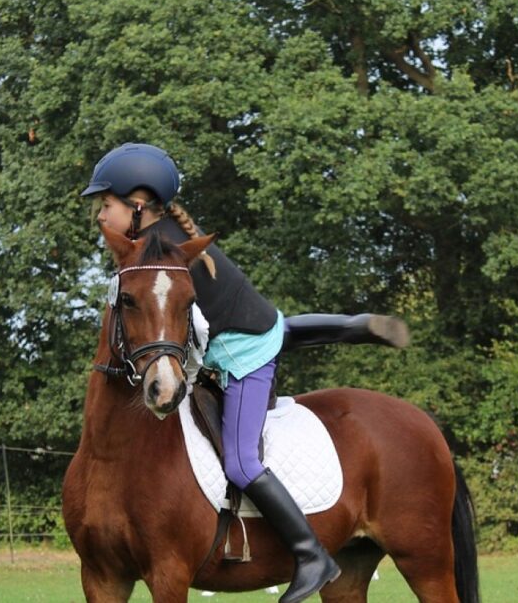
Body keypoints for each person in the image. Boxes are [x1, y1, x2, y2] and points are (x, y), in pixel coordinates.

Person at [81, 143, 407, 603]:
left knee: (241, 460)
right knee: (285, 330)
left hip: (245, 358)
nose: (100, 215)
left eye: (106, 205)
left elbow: (184, 341)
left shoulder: (168, 255)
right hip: (247, 330)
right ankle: (354, 325)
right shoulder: (153, 246)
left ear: (137, 206)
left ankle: (312, 554)